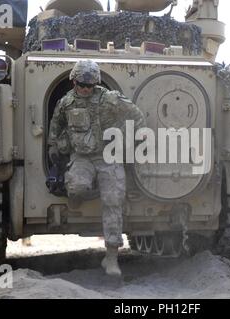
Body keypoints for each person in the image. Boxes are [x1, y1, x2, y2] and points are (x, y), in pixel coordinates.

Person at [48, 60, 146, 276]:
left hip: (107, 157)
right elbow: (55, 127)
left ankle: (111, 259)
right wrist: (53, 148)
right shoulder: (66, 103)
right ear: (74, 81)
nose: (86, 88)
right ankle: (77, 195)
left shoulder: (109, 99)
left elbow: (137, 116)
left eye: (90, 85)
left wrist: (127, 139)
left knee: (114, 200)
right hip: (81, 156)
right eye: (82, 84)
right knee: (76, 187)